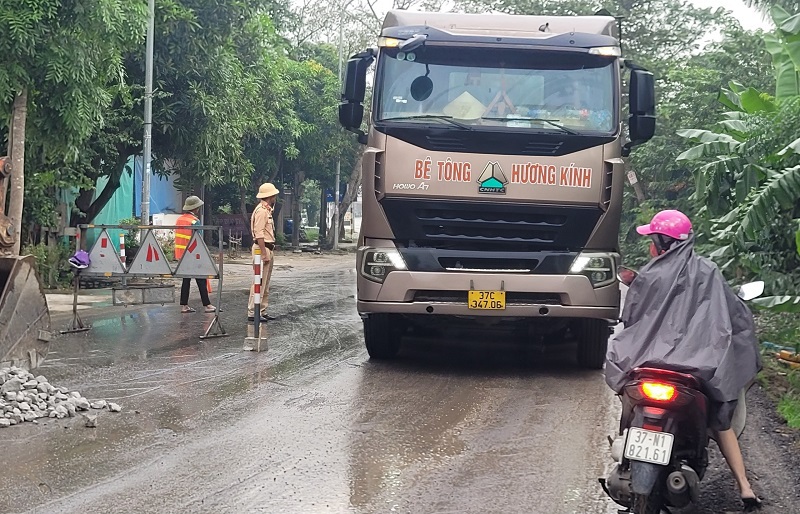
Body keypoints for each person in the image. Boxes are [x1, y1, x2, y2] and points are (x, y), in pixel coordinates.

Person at [606, 209, 762, 510]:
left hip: (649, 363)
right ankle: (745, 487)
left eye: (652, 239)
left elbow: (632, 319)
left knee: (627, 391)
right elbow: (734, 318)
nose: (651, 246)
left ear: (660, 243)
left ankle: (625, 445)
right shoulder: (709, 271)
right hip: (696, 368)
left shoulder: (650, 273)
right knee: (720, 417)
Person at [175, 195, 215, 314]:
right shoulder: (195, 221)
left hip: (181, 255)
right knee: (201, 279)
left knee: (186, 281)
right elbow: (199, 240)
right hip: (193, 254)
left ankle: (184, 306)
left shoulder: (179, 219)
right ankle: (207, 305)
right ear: (196, 208)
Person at [247, 182, 279, 322]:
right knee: (258, 281)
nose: (275, 197)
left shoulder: (267, 210)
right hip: (262, 248)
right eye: (274, 195)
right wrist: (264, 253)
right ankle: (253, 311)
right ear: (270, 196)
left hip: (267, 248)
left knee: (265, 283)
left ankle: (262, 310)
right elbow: (259, 234)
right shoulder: (261, 211)